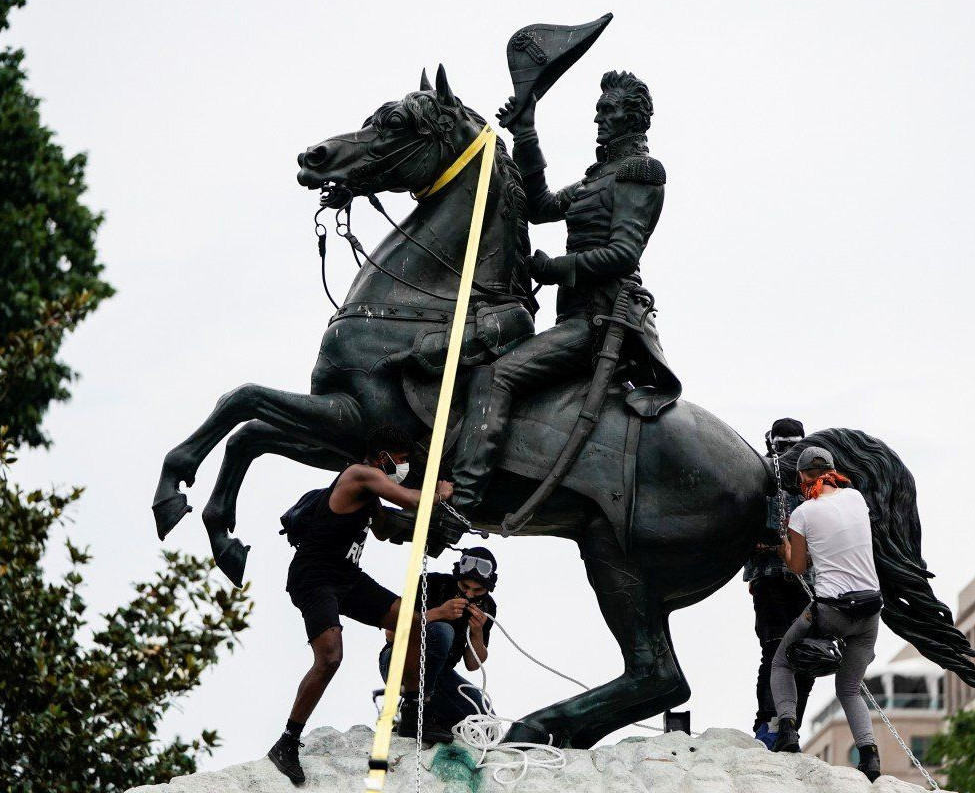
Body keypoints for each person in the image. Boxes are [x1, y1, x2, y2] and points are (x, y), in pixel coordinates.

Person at [443, 69, 681, 526]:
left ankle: (464, 501)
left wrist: (554, 269)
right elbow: (543, 206)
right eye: (598, 111)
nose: (599, 119)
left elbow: (623, 252)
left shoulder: (640, 173)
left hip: (600, 321)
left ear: (633, 118)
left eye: (608, 111)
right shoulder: (600, 178)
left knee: (496, 377)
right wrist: (526, 132)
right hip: (574, 318)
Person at [267, 426, 454, 786]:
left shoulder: (370, 496)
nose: (402, 467)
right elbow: (410, 498)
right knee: (330, 657)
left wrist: (430, 530)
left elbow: (385, 530)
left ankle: (415, 709)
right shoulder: (359, 474)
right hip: (314, 577)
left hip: (347, 577)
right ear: (384, 457)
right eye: (400, 461)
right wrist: (440, 491)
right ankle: (287, 741)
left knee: (411, 622)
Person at [771, 447, 883, 782]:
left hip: (831, 610)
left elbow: (798, 566)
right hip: (870, 608)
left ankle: (787, 732)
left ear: (803, 477)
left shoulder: (803, 513)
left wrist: (783, 549)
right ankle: (870, 758)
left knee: (781, 662)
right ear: (832, 471)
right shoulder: (856, 499)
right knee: (849, 688)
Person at [744, 417, 816, 749]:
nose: (785, 453)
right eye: (781, 446)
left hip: (805, 583)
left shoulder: (812, 487)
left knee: (809, 654)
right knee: (774, 650)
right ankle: (768, 725)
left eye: (793, 447)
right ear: (771, 444)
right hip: (770, 579)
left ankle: (791, 725)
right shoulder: (757, 480)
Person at [378, 546, 499, 735]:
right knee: (443, 630)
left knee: (485, 720)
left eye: (478, 590)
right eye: (465, 587)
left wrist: (477, 633)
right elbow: (390, 634)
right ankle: (415, 711)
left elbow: (473, 664)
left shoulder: (488, 606)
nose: (470, 595)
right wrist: (438, 613)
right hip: (398, 663)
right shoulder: (430, 583)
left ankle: (433, 718)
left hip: (439, 677)